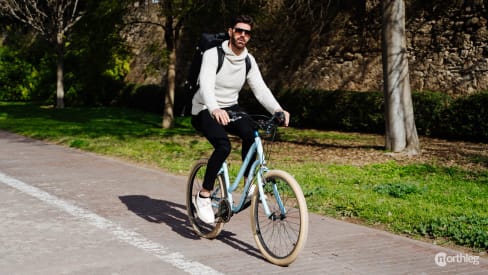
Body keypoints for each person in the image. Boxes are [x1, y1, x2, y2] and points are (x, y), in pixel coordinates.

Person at [191, 15, 290, 224]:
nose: (242, 35)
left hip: (231, 107)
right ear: (230, 31)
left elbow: (260, 89)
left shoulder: (248, 60)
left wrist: (278, 109)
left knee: (252, 133)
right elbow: (207, 85)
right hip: (204, 108)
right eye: (238, 30)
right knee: (223, 146)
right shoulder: (213, 54)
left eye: (247, 32)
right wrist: (214, 108)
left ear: (249, 37)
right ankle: (204, 195)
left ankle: (248, 182)